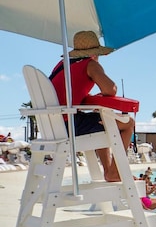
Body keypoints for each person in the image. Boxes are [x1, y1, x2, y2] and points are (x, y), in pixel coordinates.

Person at [49, 31, 135, 182]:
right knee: (128, 123)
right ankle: (113, 171)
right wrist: (96, 68)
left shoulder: (62, 65)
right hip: (69, 125)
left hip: (53, 125)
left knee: (101, 120)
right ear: (95, 53)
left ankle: (109, 171)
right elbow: (110, 89)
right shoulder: (90, 64)